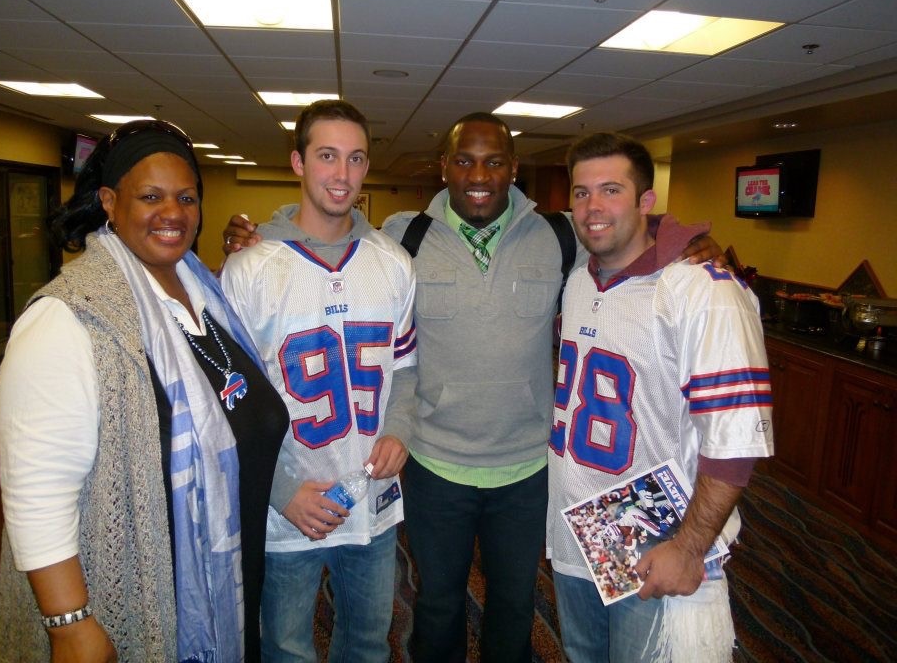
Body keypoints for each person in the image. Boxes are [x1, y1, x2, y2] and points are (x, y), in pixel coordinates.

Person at [223, 112, 721, 663]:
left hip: (528, 467)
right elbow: (325, 235)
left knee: (514, 604)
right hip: (435, 463)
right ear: (444, 167)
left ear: (513, 168)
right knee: (437, 604)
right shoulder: (403, 237)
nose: (478, 175)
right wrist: (257, 233)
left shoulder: (560, 235)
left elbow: (622, 230)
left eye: (493, 162)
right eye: (464, 161)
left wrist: (686, 238)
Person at [0, 120, 288, 662]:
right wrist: (69, 625)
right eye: (151, 196)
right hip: (131, 599)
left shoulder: (205, 296)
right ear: (109, 202)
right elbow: (36, 492)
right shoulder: (69, 318)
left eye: (186, 197)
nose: (172, 212)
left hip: (225, 582)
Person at [546, 132, 774, 662]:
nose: (593, 207)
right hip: (581, 531)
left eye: (611, 190)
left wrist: (689, 548)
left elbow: (736, 441)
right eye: (581, 193)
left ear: (646, 200)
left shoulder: (703, 290)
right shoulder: (579, 280)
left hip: (661, 539)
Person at [219, 100, 417, 662]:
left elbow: (406, 366)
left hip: (371, 497)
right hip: (287, 505)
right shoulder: (250, 268)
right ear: (298, 162)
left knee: (369, 644)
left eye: (355, 158)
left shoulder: (393, 262)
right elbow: (228, 400)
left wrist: (400, 429)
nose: (342, 173)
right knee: (286, 651)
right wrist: (281, 492)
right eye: (327, 156)